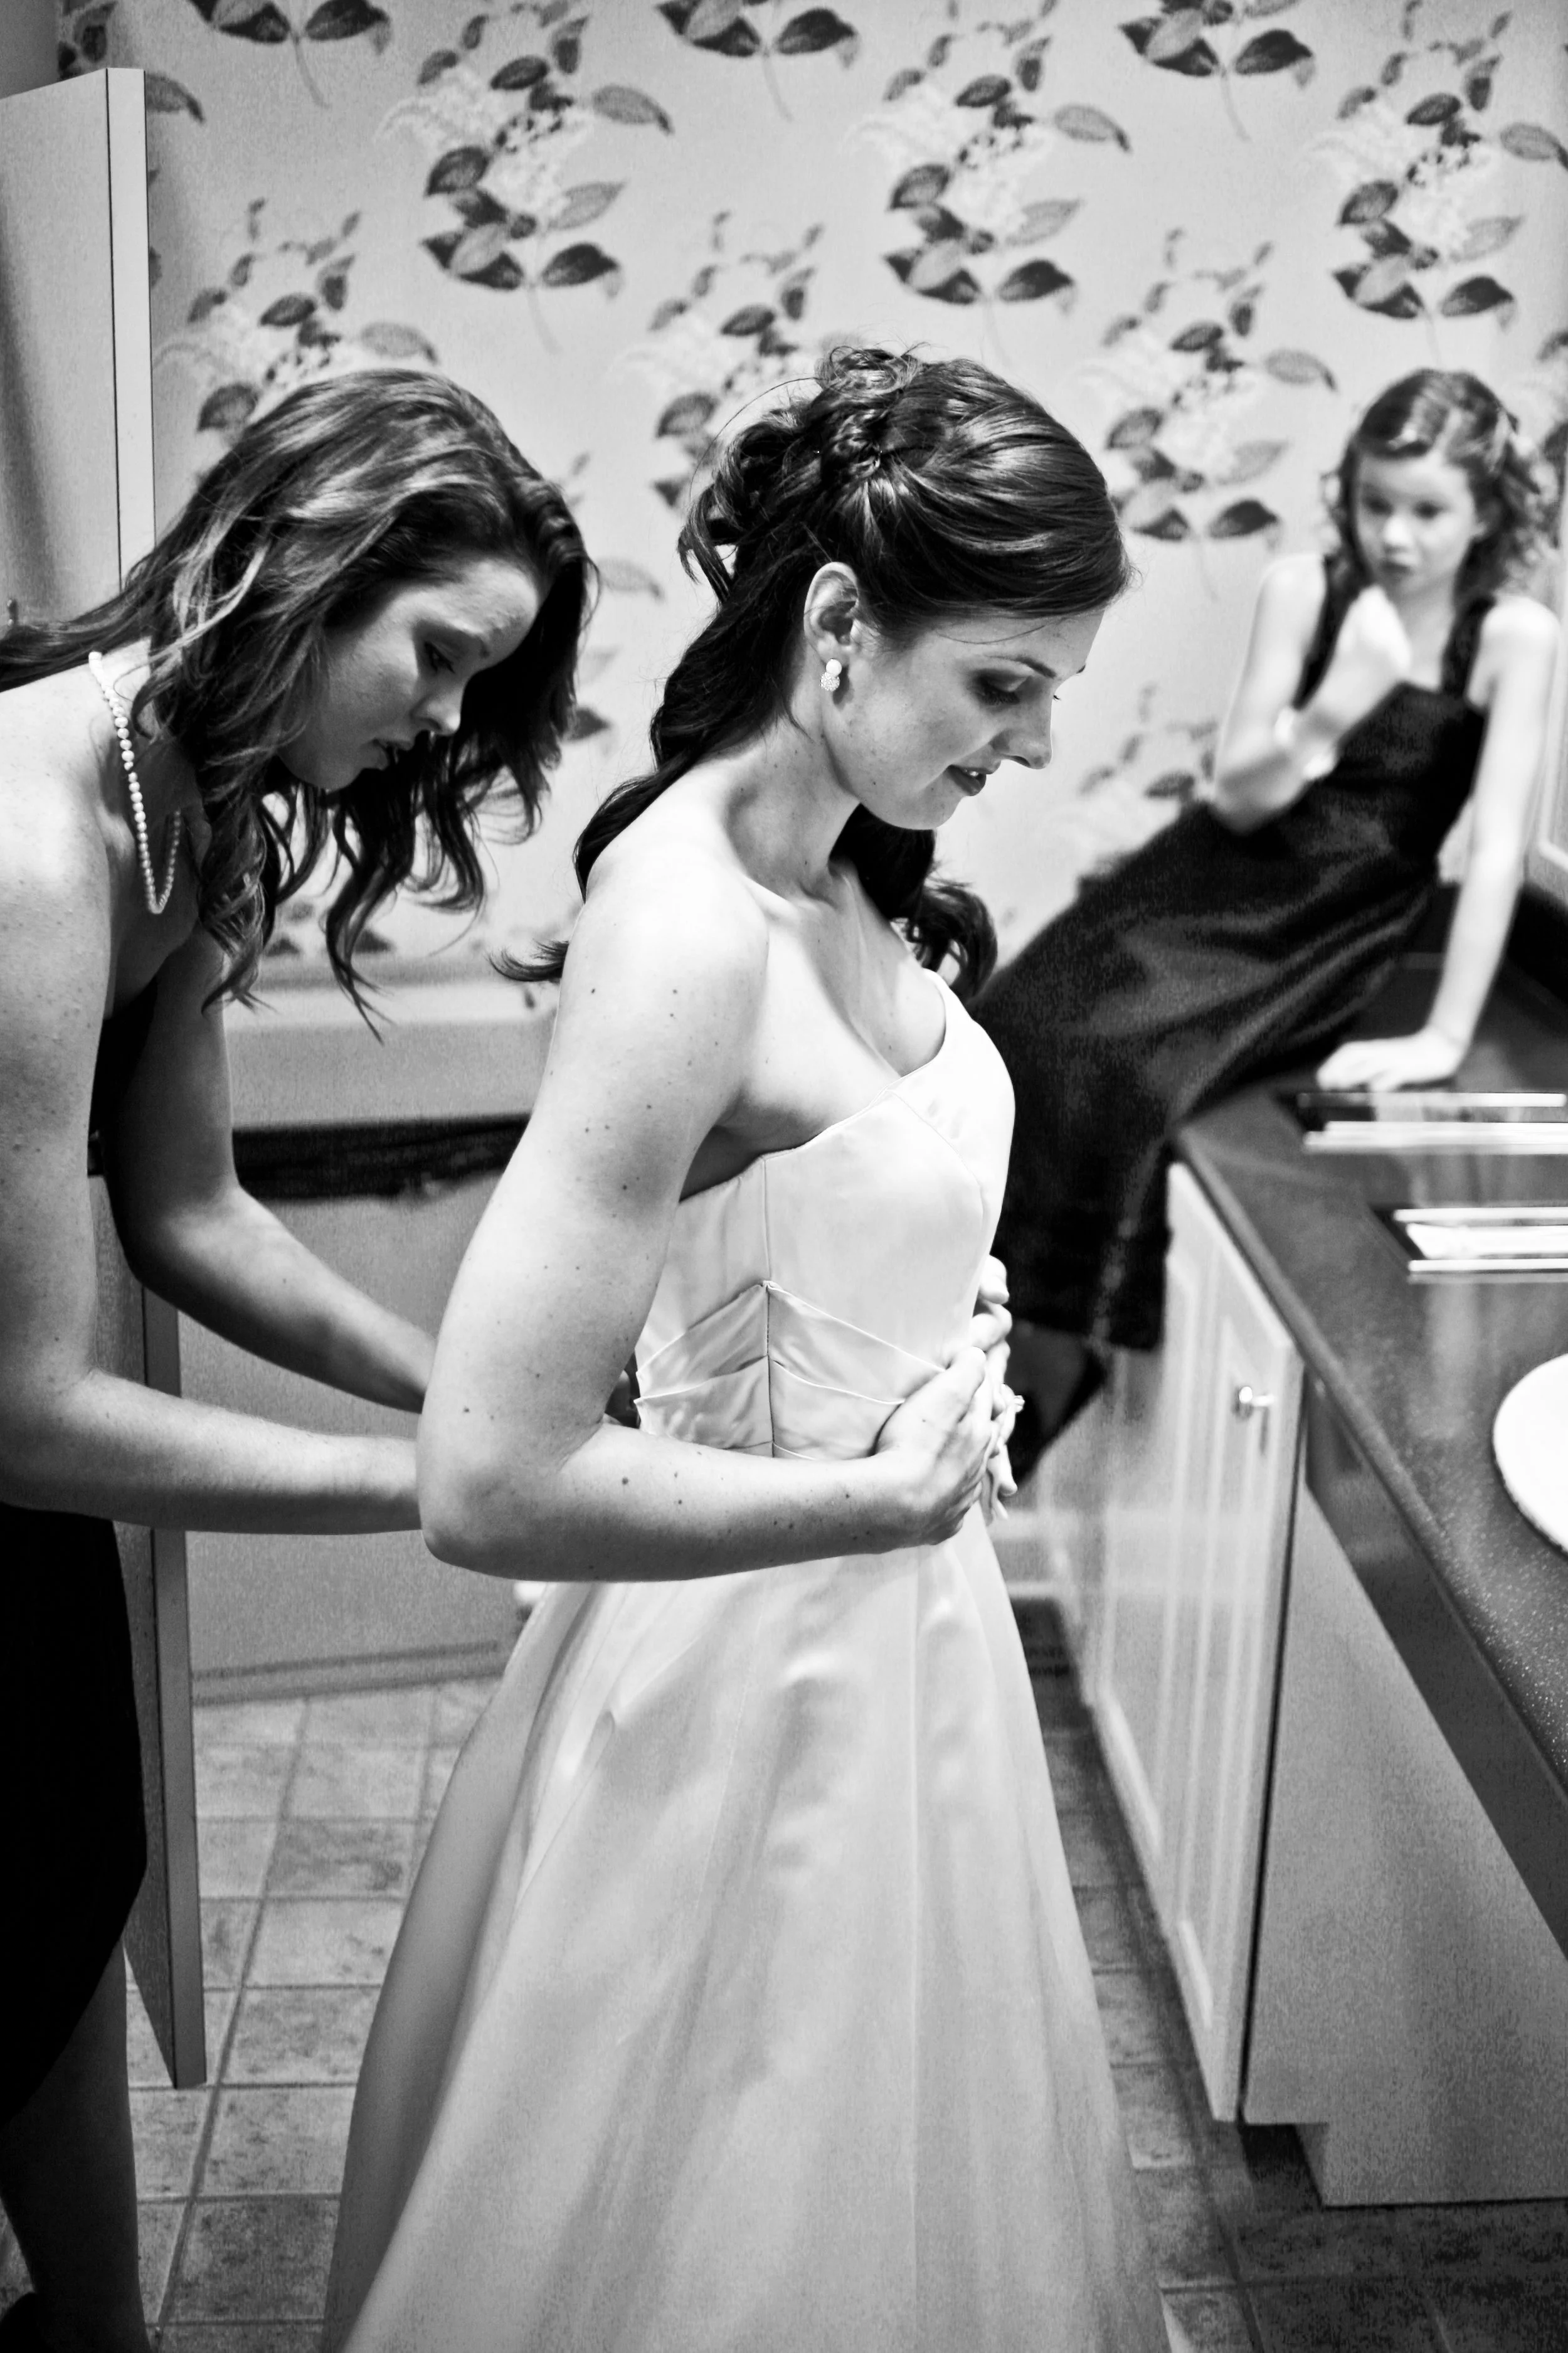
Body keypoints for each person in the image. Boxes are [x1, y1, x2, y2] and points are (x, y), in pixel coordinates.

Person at [322, 346, 1179, 2353]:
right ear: (838, 622)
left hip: (906, 1663)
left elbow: (818, 1214)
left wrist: (928, 1306)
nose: (1035, 743)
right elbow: (489, 1475)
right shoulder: (685, 929)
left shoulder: (848, 873)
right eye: (1004, 683)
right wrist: (875, 1489)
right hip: (743, 1675)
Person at [0, 368, 589, 2353]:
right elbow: (26, 1407)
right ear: (307, 563)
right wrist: (452, 1490)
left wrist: (458, 1394)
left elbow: (191, 1212)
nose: (441, 718)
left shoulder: (195, 805)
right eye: (438, 655)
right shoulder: (30, 835)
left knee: (67, 1879)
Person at [975, 369, 1559, 1470]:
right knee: (1022, 1027)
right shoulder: (1307, 589)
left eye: (1427, 510)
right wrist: (1339, 703)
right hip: (1207, 878)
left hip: (1329, 925)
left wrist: (1442, 1036)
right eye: (1375, 502)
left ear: (1487, 511)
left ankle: (1057, 1357)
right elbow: (1239, 797)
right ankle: (993, 1343)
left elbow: (1492, 849)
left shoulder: (1513, 635)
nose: (1394, 535)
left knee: (1137, 1079)